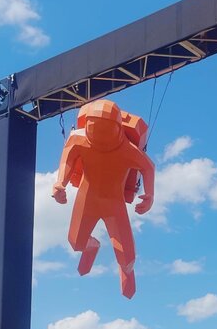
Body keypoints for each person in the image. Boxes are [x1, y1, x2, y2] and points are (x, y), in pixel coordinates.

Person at [52, 99, 155, 299]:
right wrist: (59, 183)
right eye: (93, 127)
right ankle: (92, 247)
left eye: (105, 129)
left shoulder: (127, 150)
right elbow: (67, 160)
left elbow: (148, 167)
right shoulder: (78, 139)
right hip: (87, 199)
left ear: (116, 128)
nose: (99, 134)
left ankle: (127, 276)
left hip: (114, 204)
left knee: (127, 257)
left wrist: (149, 195)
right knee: (76, 243)